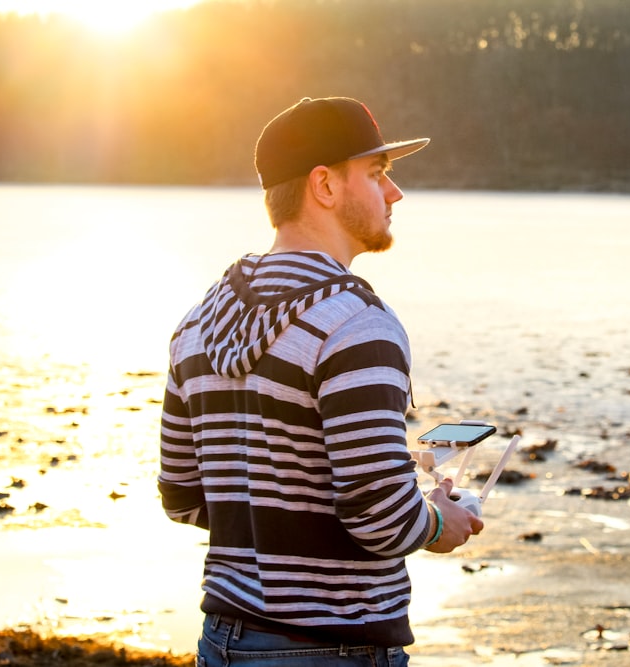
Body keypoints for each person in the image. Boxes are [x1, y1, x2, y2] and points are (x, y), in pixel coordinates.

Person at [157, 96, 484, 666]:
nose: (395, 193)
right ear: (325, 186)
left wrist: (281, 507)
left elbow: (183, 497)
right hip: (333, 647)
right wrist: (437, 521)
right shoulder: (357, 326)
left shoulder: (198, 321)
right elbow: (381, 515)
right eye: (378, 174)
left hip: (224, 641)